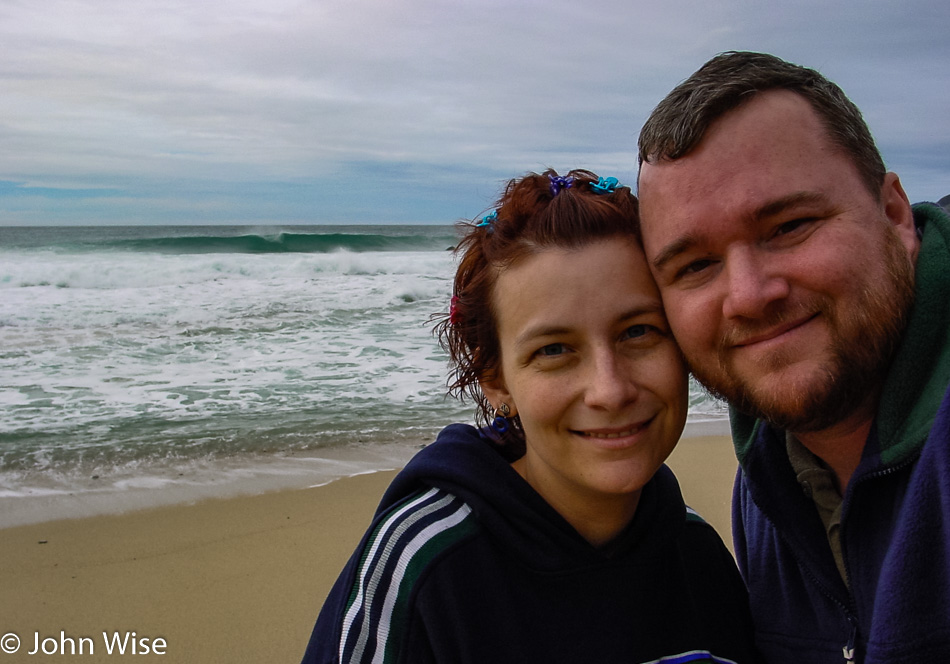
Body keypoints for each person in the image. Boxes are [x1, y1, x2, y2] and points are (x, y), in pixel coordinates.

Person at [300, 169, 758, 663]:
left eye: (638, 332)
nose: (610, 390)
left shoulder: (699, 556)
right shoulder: (424, 566)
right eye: (554, 349)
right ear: (495, 380)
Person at [636, 50, 950, 663]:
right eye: (696, 265)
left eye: (789, 227)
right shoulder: (769, 472)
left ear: (894, 214)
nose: (749, 297)